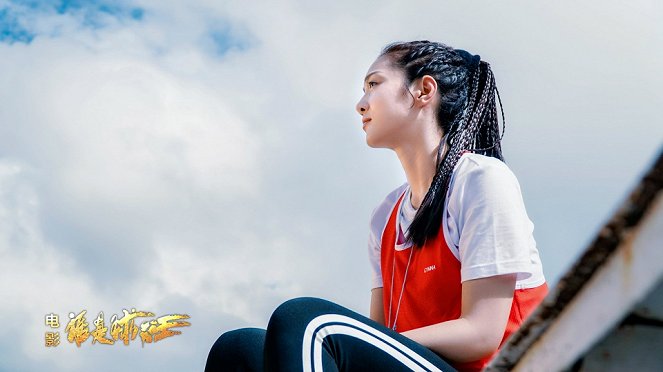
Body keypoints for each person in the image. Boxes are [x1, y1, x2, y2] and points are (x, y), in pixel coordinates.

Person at [205, 40, 547, 372]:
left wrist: (365, 342)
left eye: (373, 84)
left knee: (308, 321)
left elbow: (482, 333)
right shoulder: (385, 217)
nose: (361, 103)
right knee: (239, 349)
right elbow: (379, 339)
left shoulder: (481, 179)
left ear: (423, 91)